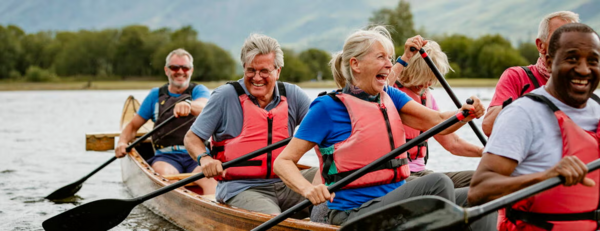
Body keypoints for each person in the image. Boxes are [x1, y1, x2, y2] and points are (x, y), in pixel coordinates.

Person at [273, 26, 494, 230]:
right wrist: (307, 188)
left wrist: (465, 114)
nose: (389, 64)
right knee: (438, 183)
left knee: (485, 193)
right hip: (353, 213)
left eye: (389, 58)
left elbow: (437, 121)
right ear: (355, 64)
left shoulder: (391, 96)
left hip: (395, 200)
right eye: (381, 57)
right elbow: (283, 162)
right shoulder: (326, 108)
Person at [468, 23, 600, 231]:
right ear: (549, 61)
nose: (584, 70)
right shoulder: (522, 114)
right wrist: (545, 176)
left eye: (593, 61)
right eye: (572, 59)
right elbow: (478, 191)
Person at [183, 34, 316, 218]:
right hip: (242, 188)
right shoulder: (224, 97)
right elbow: (192, 138)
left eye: (264, 71)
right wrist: (205, 159)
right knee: (272, 219)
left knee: (339, 179)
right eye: (251, 70)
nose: (257, 77)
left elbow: (322, 130)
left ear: (278, 71)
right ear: (244, 68)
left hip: (288, 182)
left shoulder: (293, 94)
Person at [115, 48, 217, 194]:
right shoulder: (155, 95)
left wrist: (189, 105)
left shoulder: (199, 91)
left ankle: (212, 207)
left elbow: (205, 107)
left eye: (185, 67)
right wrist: (122, 142)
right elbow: (132, 127)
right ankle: (184, 205)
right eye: (175, 67)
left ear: (191, 70)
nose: (180, 71)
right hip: (166, 157)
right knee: (165, 176)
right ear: (166, 70)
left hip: (198, 154)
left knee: (212, 178)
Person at [388, 40, 483, 188]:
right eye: (424, 78)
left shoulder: (427, 98)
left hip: (421, 173)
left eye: (432, 79)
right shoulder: (390, 93)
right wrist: (405, 57)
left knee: (481, 179)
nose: (428, 84)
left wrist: (486, 152)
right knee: (439, 183)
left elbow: (453, 143)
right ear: (412, 71)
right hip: (398, 176)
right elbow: (377, 89)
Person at [482, 11, 580, 136]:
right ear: (540, 45)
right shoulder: (517, 76)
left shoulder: (582, 83)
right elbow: (488, 127)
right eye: (559, 37)